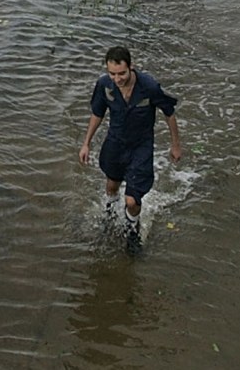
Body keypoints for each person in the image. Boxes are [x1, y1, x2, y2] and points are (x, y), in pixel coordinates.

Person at [78, 45, 182, 250]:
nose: (117, 79)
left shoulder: (148, 86)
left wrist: (175, 145)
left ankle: (132, 229)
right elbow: (97, 113)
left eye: (122, 73)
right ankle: (109, 214)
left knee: (132, 200)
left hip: (141, 146)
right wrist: (86, 143)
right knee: (112, 185)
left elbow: (169, 113)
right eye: (112, 74)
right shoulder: (104, 85)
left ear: (131, 67)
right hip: (115, 142)